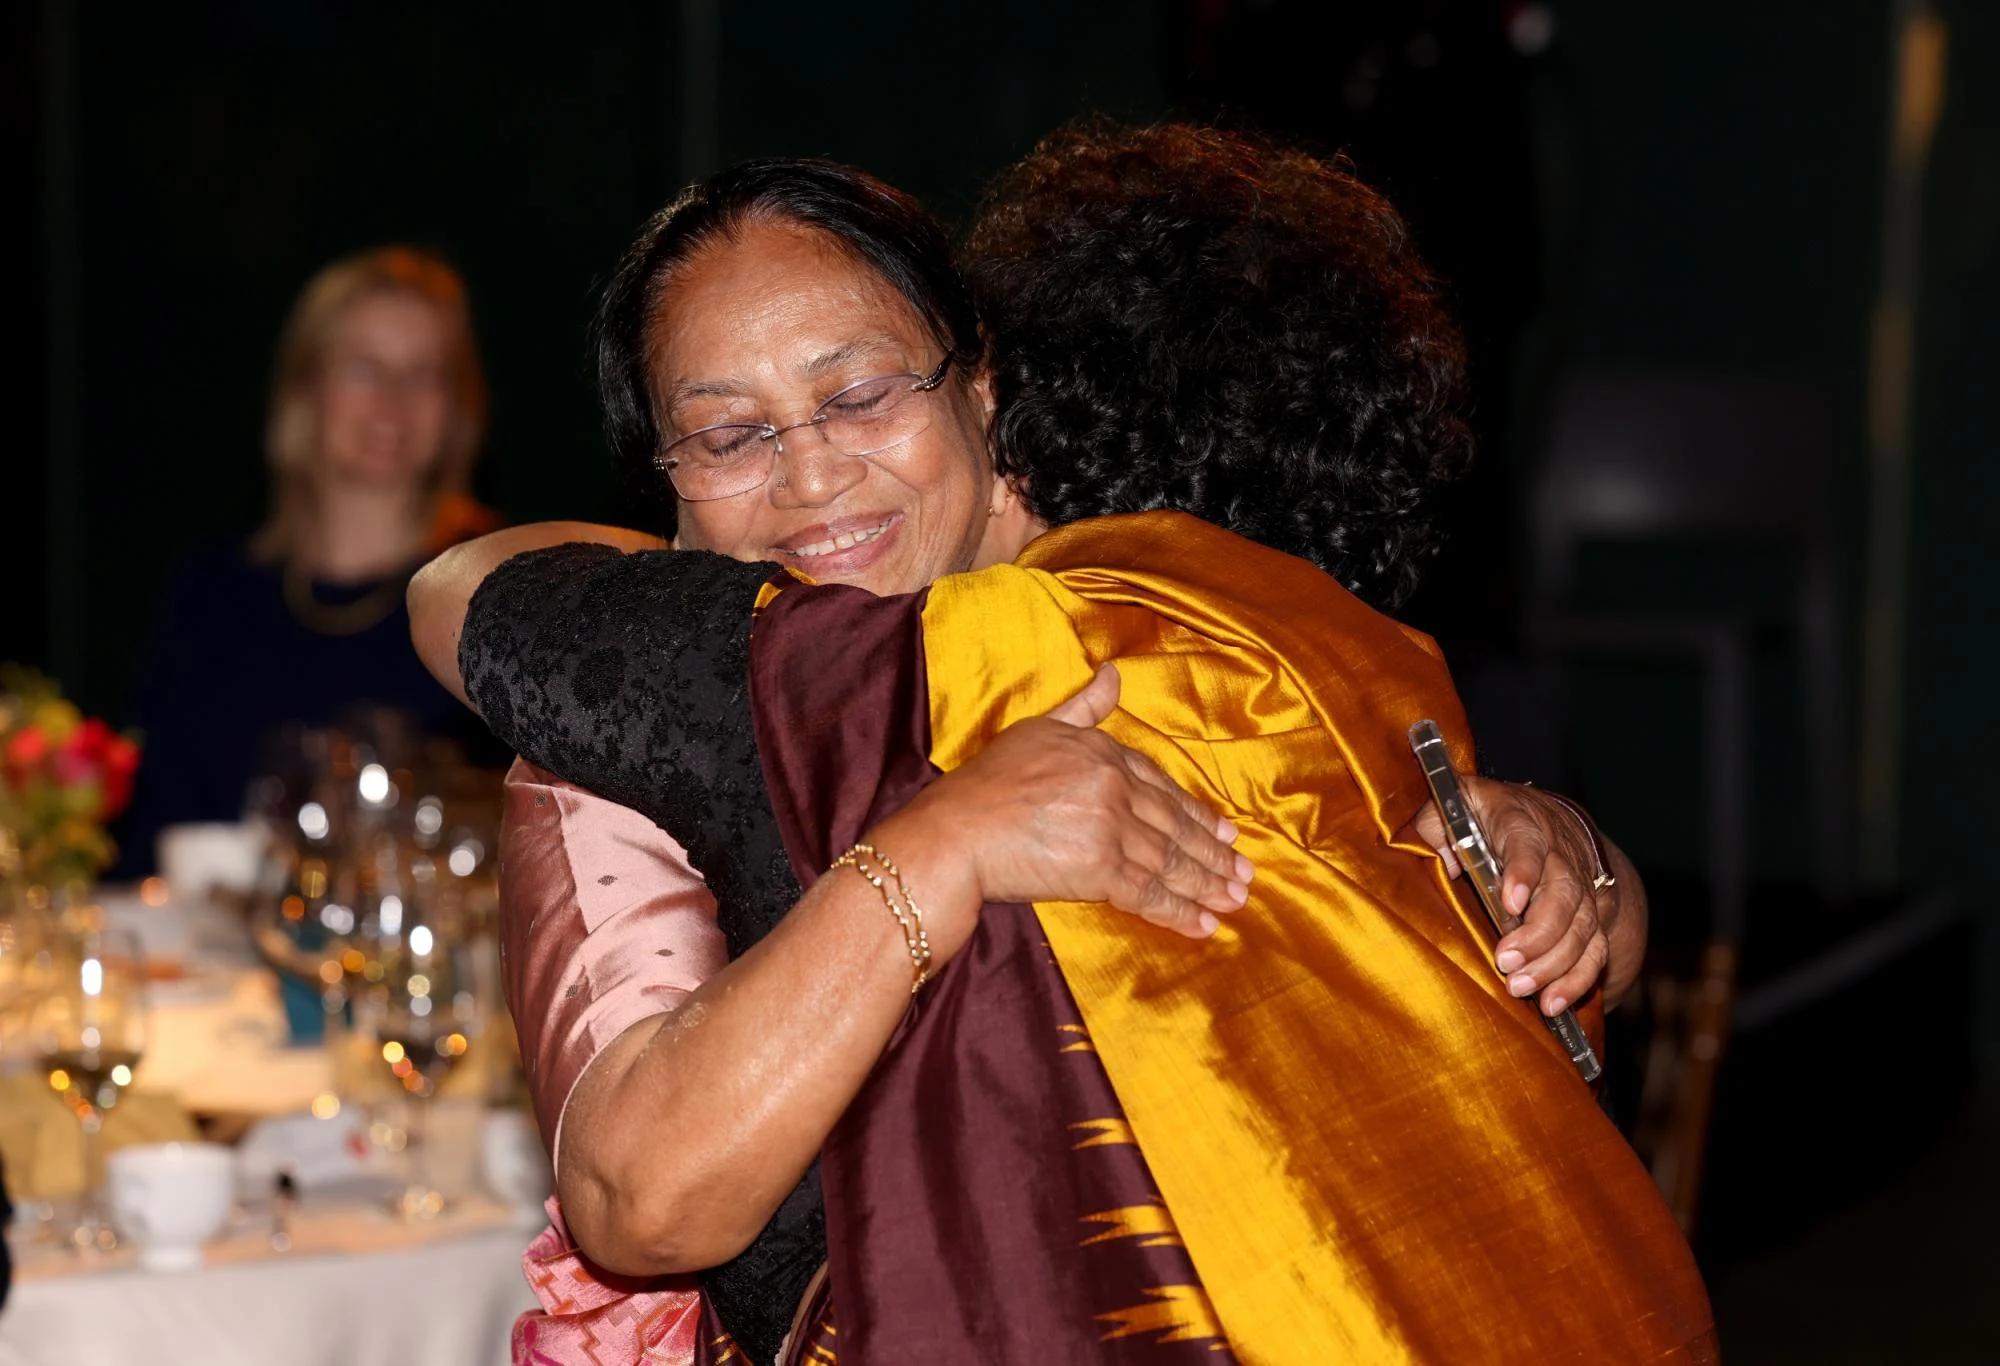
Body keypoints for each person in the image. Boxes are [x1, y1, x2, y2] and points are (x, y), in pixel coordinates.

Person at [414, 130, 1709, 1363]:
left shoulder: (1172, 617)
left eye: (860, 395)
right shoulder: (625, 728)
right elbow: (642, 1201)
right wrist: (938, 850)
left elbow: (1442, 975)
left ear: (982, 392)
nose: (812, 478)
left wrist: (1575, 869)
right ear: (668, 480)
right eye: (732, 435)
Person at [118, 247, 501, 876]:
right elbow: (146, 850)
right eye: (363, 368)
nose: (392, 400)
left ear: (458, 410)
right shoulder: (211, 602)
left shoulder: (499, 600)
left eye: (423, 373)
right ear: (305, 390)